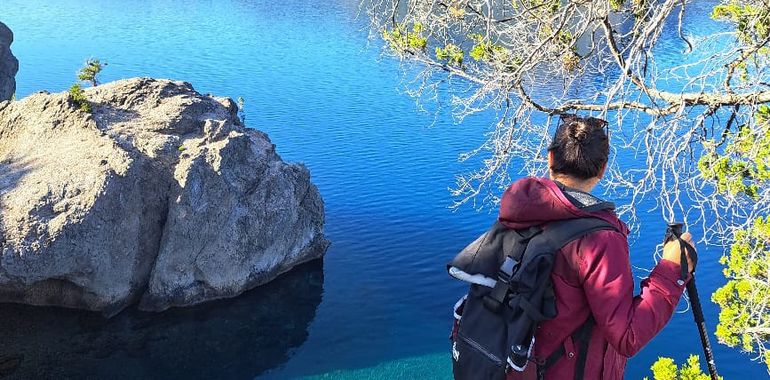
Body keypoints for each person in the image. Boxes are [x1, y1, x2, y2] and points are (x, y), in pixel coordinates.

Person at [500, 114, 695, 379]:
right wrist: (671, 270)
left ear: (551, 158)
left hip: (513, 368)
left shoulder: (516, 215)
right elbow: (627, 336)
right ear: (602, 169)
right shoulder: (599, 241)